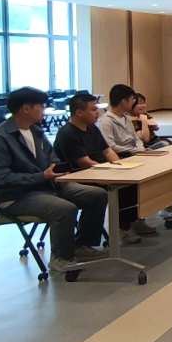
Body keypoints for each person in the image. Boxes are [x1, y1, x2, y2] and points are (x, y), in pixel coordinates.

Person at [0, 87, 109, 273]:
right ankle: (61, 257)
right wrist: (41, 176)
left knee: (97, 195)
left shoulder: (36, 131)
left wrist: (57, 171)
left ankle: (82, 244)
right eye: (41, 106)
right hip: (14, 196)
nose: (44, 110)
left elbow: (52, 158)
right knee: (64, 209)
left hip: (46, 186)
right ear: (26, 108)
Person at [54, 92, 149, 244]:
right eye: (93, 109)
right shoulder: (67, 134)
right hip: (82, 175)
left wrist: (121, 166)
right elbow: (84, 162)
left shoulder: (91, 128)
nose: (97, 112)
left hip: (101, 170)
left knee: (133, 181)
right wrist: (110, 171)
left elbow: (107, 151)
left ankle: (132, 221)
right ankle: (122, 227)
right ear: (79, 112)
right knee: (121, 188)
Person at [99, 84, 168, 156]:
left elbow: (137, 139)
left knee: (164, 147)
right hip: (124, 155)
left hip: (136, 151)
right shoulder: (106, 121)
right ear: (124, 102)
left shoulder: (126, 118)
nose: (133, 102)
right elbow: (111, 146)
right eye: (132, 100)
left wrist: (141, 150)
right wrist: (137, 151)